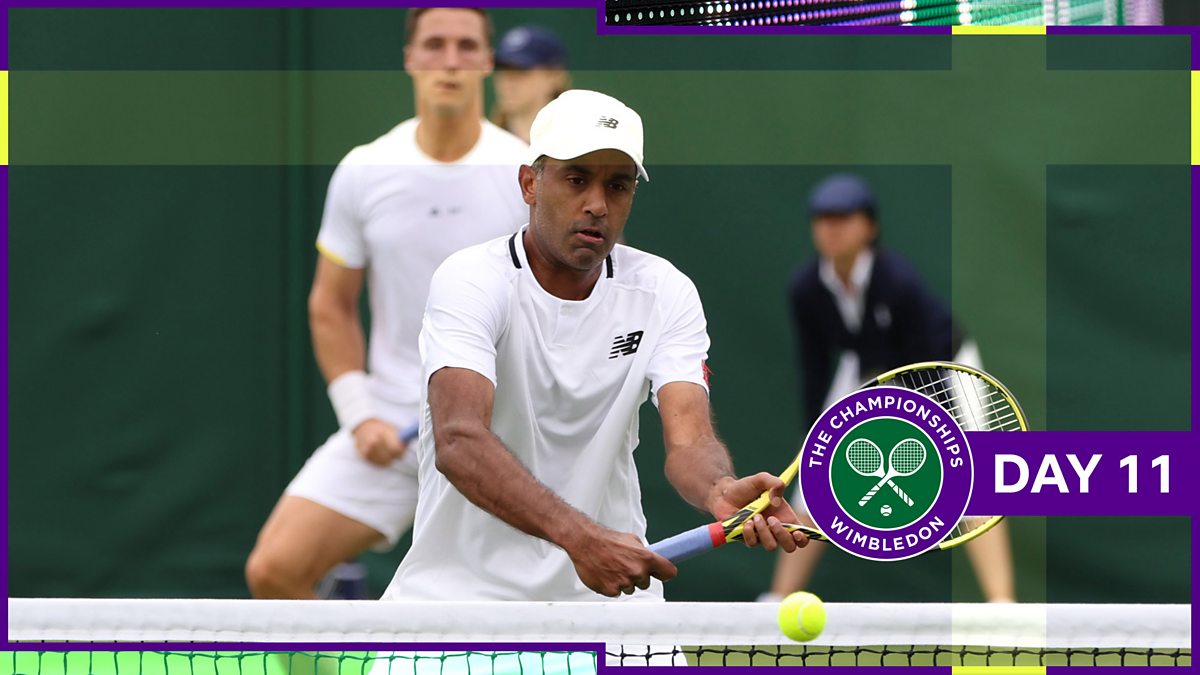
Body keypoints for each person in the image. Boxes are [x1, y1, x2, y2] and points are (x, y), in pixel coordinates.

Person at [382, 89, 807, 603]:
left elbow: (689, 439)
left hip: (610, 608)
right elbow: (459, 440)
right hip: (456, 600)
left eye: (618, 186)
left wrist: (719, 488)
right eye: (576, 179)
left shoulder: (665, 291)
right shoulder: (471, 280)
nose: (597, 205)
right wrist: (580, 538)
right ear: (530, 183)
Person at [245, 7, 530, 599]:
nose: (449, 61)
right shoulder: (365, 169)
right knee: (274, 571)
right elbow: (330, 304)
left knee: (526, 607)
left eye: (465, 47)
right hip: (396, 434)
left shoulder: (525, 174)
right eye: (434, 45)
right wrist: (360, 415)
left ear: (485, 61)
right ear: (410, 59)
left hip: (505, 441)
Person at [763, 173, 1015, 603]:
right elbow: (814, 369)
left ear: (869, 227)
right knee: (815, 474)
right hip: (868, 368)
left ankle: (1002, 604)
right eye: (823, 219)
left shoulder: (897, 281)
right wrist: (817, 436)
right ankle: (777, 599)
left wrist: (916, 430)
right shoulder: (805, 289)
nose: (832, 228)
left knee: (976, 477)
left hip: (944, 366)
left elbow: (920, 367)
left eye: (844, 218)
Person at [489, 25, 570, 143]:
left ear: (554, 77)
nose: (508, 83)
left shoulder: (579, 141)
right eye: (503, 71)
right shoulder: (485, 144)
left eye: (520, 72)